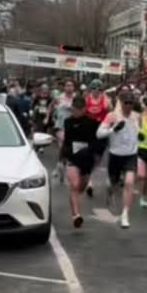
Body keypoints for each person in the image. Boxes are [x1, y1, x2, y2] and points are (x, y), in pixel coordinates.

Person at [97, 90, 139, 229]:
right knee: (113, 184)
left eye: (131, 103)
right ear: (121, 103)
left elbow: (140, 132)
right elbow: (99, 134)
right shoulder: (112, 116)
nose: (128, 106)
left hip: (131, 155)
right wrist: (113, 129)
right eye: (126, 103)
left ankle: (125, 214)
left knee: (129, 182)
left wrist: (141, 137)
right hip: (115, 155)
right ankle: (110, 191)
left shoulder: (137, 116)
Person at [61, 95, 99, 228]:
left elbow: (97, 141)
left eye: (79, 108)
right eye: (74, 108)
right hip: (72, 158)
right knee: (74, 185)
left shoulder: (92, 122)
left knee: (81, 187)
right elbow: (66, 141)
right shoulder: (67, 122)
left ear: (84, 109)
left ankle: (75, 203)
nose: (76, 111)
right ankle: (76, 216)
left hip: (87, 159)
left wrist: (92, 151)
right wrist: (63, 155)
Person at [84, 79, 110, 197]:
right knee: (89, 155)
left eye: (99, 88)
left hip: (101, 129)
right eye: (94, 88)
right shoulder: (87, 99)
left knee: (98, 158)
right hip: (89, 129)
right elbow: (83, 112)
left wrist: (106, 99)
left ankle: (91, 178)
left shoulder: (105, 99)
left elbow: (109, 110)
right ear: (91, 89)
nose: (96, 90)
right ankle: (89, 183)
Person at [49, 79, 76, 182]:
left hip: (72, 126)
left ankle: (60, 165)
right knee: (64, 144)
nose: (69, 87)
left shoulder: (76, 98)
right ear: (64, 87)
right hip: (60, 125)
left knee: (66, 149)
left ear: (74, 87)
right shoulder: (59, 97)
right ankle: (60, 165)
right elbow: (51, 106)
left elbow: (81, 110)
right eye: (67, 85)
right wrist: (49, 117)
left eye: (71, 85)